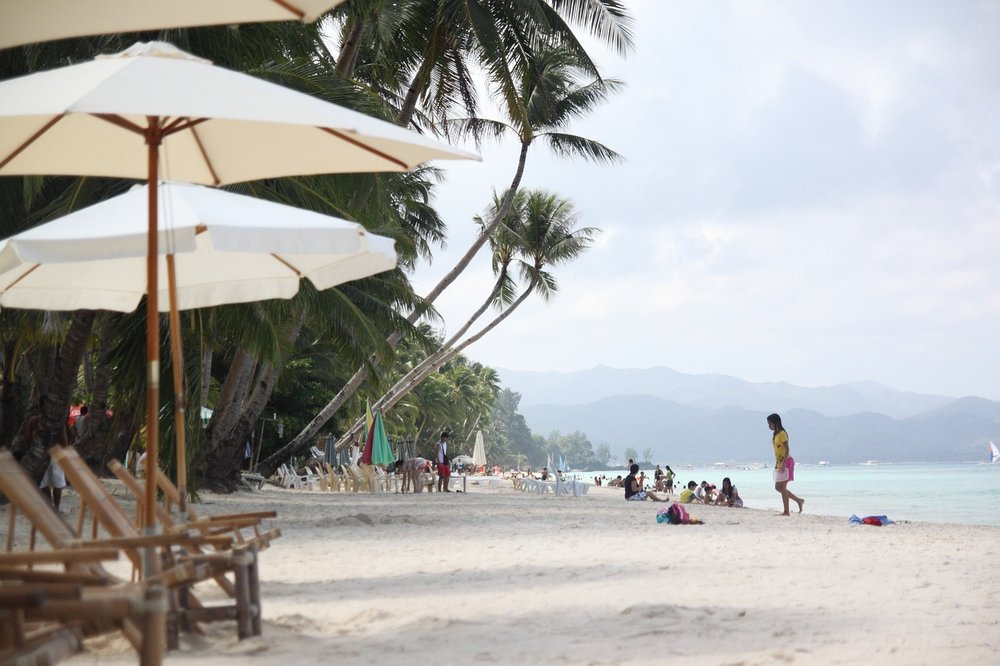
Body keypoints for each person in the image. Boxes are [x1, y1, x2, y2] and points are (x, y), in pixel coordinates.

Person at [25, 396, 70, 511]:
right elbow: (64, 443)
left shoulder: (33, 421)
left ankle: (50, 506)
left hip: (39, 455)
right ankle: (56, 507)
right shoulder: (57, 422)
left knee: (43, 483)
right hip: (55, 454)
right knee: (57, 483)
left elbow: (27, 440)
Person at [767, 413, 805, 515]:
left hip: (787, 461)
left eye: (769, 424)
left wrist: (783, 464)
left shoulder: (782, 434)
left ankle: (786, 511)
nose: (768, 426)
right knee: (778, 487)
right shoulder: (775, 435)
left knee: (782, 487)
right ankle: (798, 500)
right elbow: (778, 451)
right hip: (780, 462)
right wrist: (777, 463)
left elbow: (787, 449)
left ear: (775, 423)